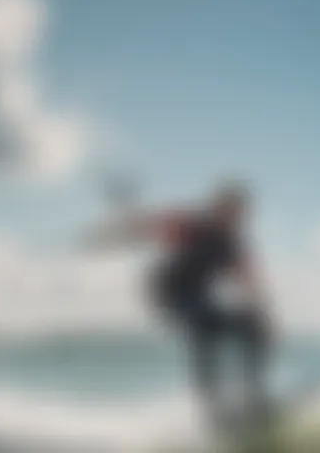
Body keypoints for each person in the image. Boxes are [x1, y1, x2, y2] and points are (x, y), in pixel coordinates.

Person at [84, 181, 272, 426]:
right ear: (218, 208)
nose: (236, 217)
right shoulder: (194, 225)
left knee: (252, 325)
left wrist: (262, 313)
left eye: (241, 213)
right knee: (205, 327)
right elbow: (147, 227)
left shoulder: (232, 244)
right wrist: (108, 238)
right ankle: (215, 411)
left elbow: (247, 278)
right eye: (231, 210)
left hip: (199, 297)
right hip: (169, 292)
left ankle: (253, 397)